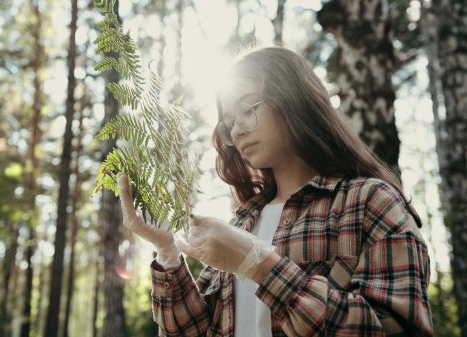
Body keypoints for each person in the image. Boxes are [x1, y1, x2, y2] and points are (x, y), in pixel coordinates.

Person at [116, 47, 433, 337]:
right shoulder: (242, 223)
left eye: (247, 108)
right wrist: (168, 252)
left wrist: (260, 266)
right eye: (229, 122)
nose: (237, 130)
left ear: (292, 98)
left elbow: (396, 330)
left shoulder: (369, 202)